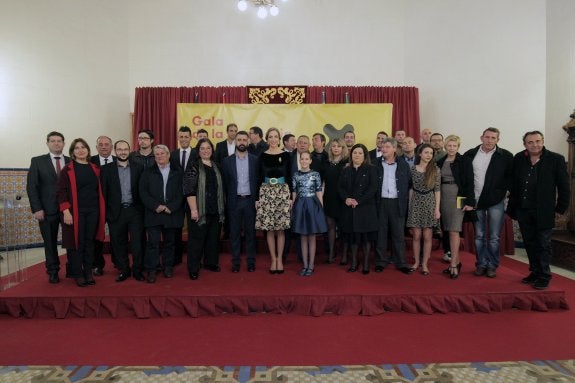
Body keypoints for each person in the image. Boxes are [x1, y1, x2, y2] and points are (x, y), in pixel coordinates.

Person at [507, 131, 570, 290]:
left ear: (543, 141)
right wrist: (512, 206)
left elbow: (564, 186)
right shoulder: (519, 158)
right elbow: (514, 183)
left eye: (538, 141)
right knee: (530, 242)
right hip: (523, 209)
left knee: (543, 244)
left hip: (544, 210)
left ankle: (544, 275)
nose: (535, 144)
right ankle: (534, 271)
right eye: (531, 142)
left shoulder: (556, 159)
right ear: (525, 144)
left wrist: (561, 208)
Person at [463, 127, 513, 278]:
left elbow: (511, 176)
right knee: (479, 235)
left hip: (495, 201)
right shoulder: (470, 154)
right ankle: (481, 264)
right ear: (481, 138)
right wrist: (465, 199)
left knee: (494, 237)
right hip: (475, 200)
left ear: (498, 140)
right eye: (487, 137)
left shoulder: (505, 156)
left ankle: (492, 265)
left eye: (493, 138)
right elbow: (464, 178)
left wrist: (506, 191)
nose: (490, 140)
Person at [56, 138, 106, 287]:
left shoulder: (95, 168)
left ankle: (88, 272)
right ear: (72, 152)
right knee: (77, 242)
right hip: (74, 213)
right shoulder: (68, 169)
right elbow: (61, 192)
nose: (80, 150)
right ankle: (77, 273)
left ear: (88, 150)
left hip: (93, 211)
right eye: (77, 148)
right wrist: (66, 211)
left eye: (83, 147)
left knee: (90, 242)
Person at [26, 131, 71, 283]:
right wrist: (37, 208)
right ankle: (53, 271)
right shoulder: (37, 161)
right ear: (47, 143)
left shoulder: (72, 161)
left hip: (68, 210)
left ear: (64, 144)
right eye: (53, 141)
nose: (56, 143)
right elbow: (32, 186)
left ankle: (72, 268)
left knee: (71, 240)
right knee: (50, 242)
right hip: (46, 210)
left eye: (59, 141)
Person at [100, 140, 145, 282]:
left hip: (135, 211)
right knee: (119, 244)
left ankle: (137, 270)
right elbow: (104, 193)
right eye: (119, 149)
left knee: (138, 243)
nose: (123, 152)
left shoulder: (139, 167)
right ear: (115, 151)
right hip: (116, 212)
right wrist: (107, 213)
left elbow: (142, 190)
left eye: (125, 149)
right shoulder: (106, 169)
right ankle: (124, 269)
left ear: (130, 150)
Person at [139, 144, 184, 283]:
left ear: (168, 155)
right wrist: (156, 206)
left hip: (171, 212)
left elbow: (182, 192)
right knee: (152, 243)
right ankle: (152, 269)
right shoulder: (147, 172)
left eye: (162, 153)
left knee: (170, 242)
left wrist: (171, 207)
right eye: (157, 154)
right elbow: (143, 192)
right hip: (154, 213)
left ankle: (168, 266)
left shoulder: (178, 171)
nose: (159, 156)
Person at [184, 139, 226, 280]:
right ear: (198, 150)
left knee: (213, 239)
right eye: (202, 148)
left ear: (212, 150)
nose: (206, 151)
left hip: (215, 209)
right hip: (199, 210)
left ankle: (210, 263)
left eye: (208, 148)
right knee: (196, 240)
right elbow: (189, 190)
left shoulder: (217, 166)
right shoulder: (193, 166)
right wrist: (194, 210)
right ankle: (194, 267)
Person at [436, 135, 476, 279]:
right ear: (445, 146)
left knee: (454, 230)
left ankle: (453, 264)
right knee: (447, 229)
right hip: (442, 197)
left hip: (459, 197)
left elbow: (470, 182)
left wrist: (469, 203)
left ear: (458, 147)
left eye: (455, 146)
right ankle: (456, 262)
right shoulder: (440, 161)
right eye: (449, 145)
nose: (452, 148)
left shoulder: (464, 160)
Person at [221, 131, 259, 273]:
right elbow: (224, 184)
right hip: (234, 201)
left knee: (250, 234)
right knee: (234, 234)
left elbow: (258, 181)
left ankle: (251, 262)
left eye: (244, 139)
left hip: (250, 201)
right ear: (235, 141)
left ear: (248, 142)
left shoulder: (255, 160)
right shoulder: (226, 161)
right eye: (239, 140)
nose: (242, 142)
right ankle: (235, 262)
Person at [338, 143, 379, 274]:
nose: (357, 155)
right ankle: (354, 262)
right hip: (350, 208)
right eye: (355, 153)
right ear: (351, 154)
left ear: (365, 155)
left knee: (366, 238)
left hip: (366, 208)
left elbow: (373, 188)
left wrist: (359, 201)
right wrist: (346, 199)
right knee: (353, 237)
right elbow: (340, 187)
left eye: (360, 153)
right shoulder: (345, 169)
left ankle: (366, 263)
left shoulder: (371, 169)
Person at [255, 127, 292, 274]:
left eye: (276, 136)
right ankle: (273, 259)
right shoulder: (261, 156)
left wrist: (290, 197)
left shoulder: (286, 155)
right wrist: (257, 198)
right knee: (269, 228)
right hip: (266, 192)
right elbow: (258, 177)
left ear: (279, 139)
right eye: (270, 137)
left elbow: (289, 176)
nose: (273, 139)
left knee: (281, 228)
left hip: (282, 192)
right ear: (267, 139)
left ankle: (280, 259)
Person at [374, 138, 412, 274]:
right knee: (381, 233)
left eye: (387, 147)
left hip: (397, 203)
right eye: (383, 147)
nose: (384, 149)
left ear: (395, 149)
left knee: (398, 234)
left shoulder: (403, 164)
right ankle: (380, 261)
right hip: (381, 202)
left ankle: (400, 262)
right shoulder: (376, 163)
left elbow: (408, 184)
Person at [292, 152, 328, 276]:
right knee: (303, 236)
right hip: (300, 205)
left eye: (307, 159)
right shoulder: (296, 174)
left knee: (312, 236)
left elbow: (319, 191)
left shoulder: (315, 174)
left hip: (312, 205)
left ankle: (311, 265)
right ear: (300, 160)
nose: (304, 161)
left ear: (310, 161)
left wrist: (321, 209)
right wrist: (293, 207)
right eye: (302, 159)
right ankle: (305, 265)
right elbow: (294, 192)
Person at [407, 144, 441, 275]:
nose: (429, 155)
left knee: (427, 236)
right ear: (420, 154)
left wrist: (437, 209)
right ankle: (416, 262)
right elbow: (410, 188)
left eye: (431, 153)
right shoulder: (412, 169)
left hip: (429, 203)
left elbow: (437, 190)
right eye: (426, 152)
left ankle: (425, 264)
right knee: (416, 235)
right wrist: (410, 206)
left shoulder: (435, 170)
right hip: (415, 202)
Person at [90, 135, 116, 276]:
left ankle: (118, 263)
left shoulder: (120, 161)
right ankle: (97, 264)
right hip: (95, 206)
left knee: (117, 236)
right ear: (96, 147)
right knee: (96, 237)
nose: (104, 146)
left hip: (115, 207)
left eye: (107, 144)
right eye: (101, 144)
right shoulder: (89, 162)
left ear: (112, 147)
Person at [170, 126, 194, 266]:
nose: (184, 139)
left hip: (193, 197)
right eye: (181, 136)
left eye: (186, 136)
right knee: (176, 228)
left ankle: (194, 258)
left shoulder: (197, 153)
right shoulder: (172, 155)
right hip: (176, 197)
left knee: (194, 229)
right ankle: (176, 258)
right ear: (178, 138)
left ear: (191, 138)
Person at [323, 138, 348, 264]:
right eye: (334, 146)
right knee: (331, 227)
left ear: (343, 148)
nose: (336, 148)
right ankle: (331, 253)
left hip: (343, 200)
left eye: (339, 146)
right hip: (329, 198)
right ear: (330, 148)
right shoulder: (326, 163)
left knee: (343, 228)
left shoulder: (347, 163)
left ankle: (344, 254)